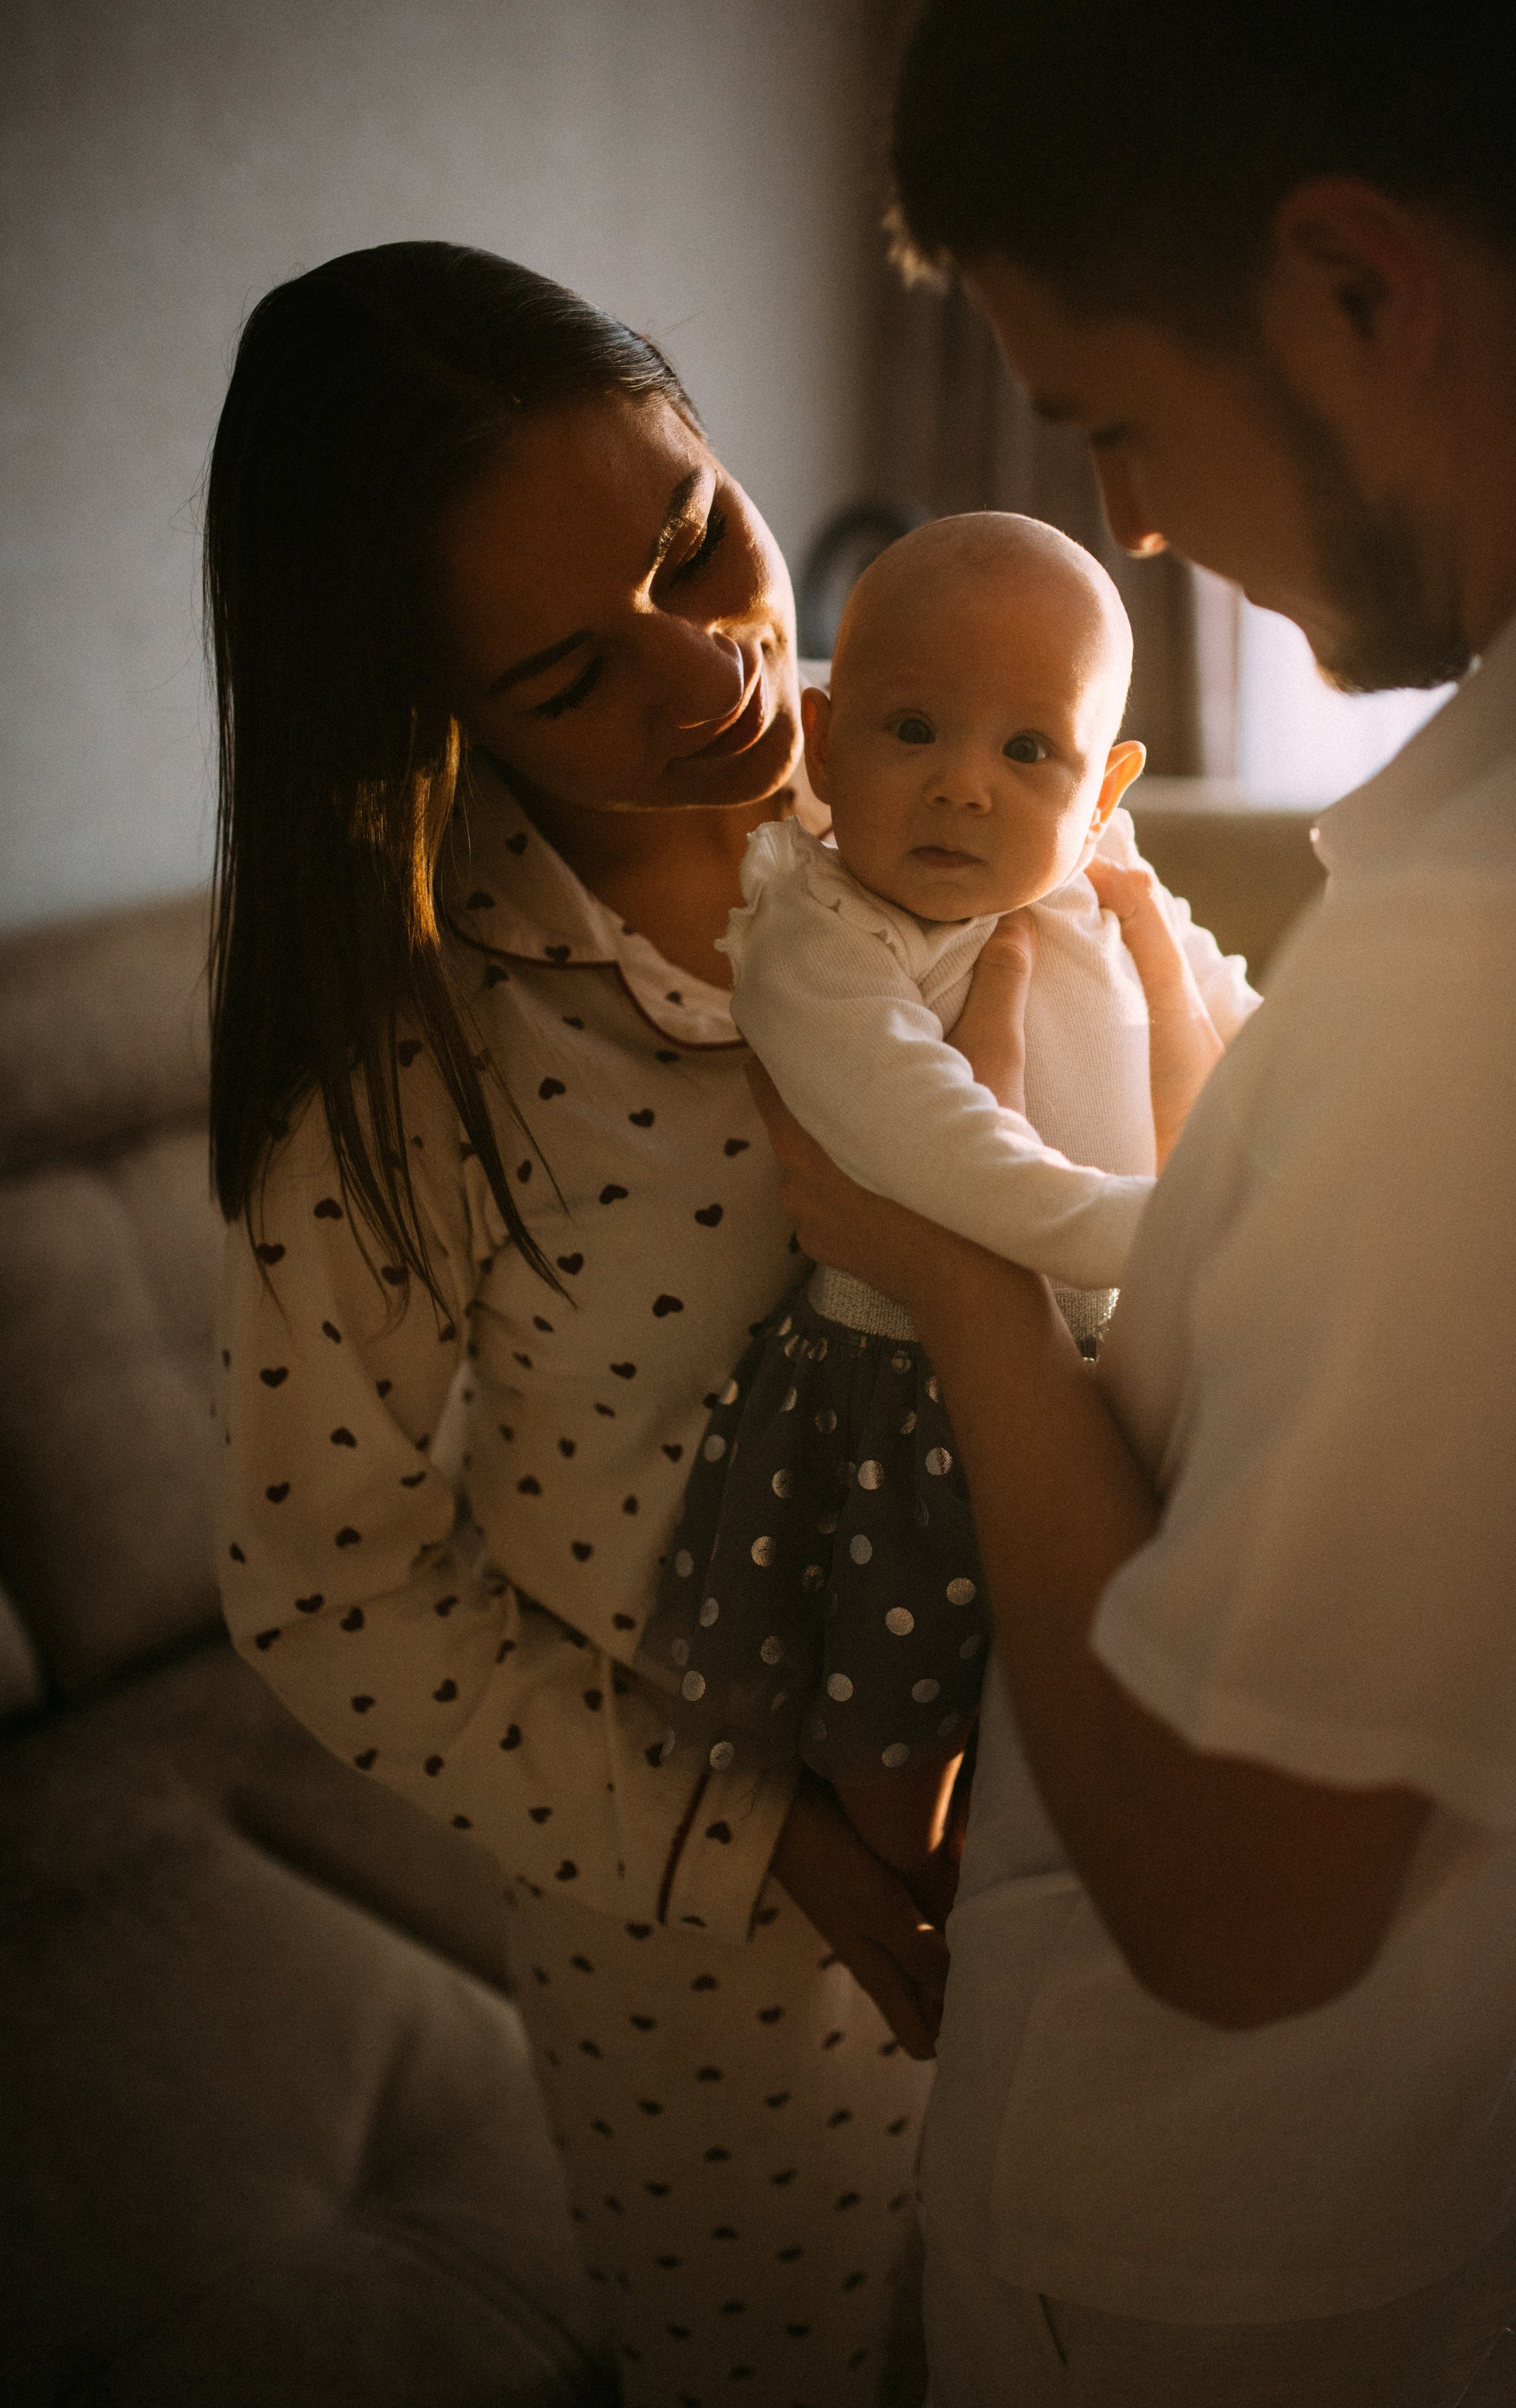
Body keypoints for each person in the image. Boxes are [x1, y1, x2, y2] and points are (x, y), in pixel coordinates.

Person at [748, 0, 1516, 2401]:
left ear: (1358, 286)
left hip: (1207, 2231)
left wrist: (959, 1282)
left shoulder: (1515, 948)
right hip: (1460, 2101)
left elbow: (1239, 1887)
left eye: (1120, 421)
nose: (1140, 520)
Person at [209, 239, 974, 2405]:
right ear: (435, 706)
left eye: (696, 537)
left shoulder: (940, 768)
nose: (713, 669)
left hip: (1068, 1820)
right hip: (708, 1957)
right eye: (569, 672)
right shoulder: (408, 1060)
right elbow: (319, 1586)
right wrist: (756, 1842)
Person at [642, 511, 1252, 1914]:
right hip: (894, 1400)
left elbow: (1251, 1034)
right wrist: (1157, 1234)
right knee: (892, 1771)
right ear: (823, 735)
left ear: (1101, 785)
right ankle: (897, 1868)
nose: (963, 788)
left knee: (1074, 1731)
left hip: (1105, 1366)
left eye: (1024, 749)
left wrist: (1336, 1151)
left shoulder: (1105, 876)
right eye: (911, 730)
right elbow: (945, 1154)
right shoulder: (818, 936)